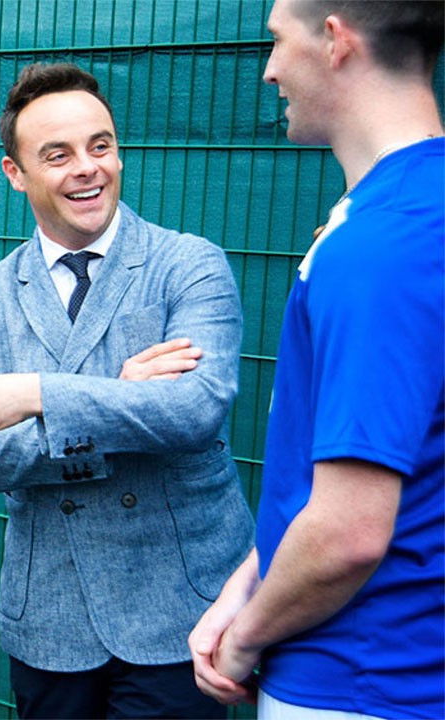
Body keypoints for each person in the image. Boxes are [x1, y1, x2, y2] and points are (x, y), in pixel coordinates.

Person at [0, 62, 254, 719]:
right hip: (51, 623)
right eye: (58, 154)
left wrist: (35, 395)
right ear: (15, 173)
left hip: (178, 615)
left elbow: (194, 410)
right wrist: (118, 393)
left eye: (100, 145)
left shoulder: (187, 265)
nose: (87, 167)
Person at [189, 2, 444, 718]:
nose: (270, 69)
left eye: (277, 40)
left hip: (364, 680)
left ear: (335, 40)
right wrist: (247, 585)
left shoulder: (385, 244)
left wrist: (246, 637)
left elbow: (348, 532)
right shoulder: (405, 213)